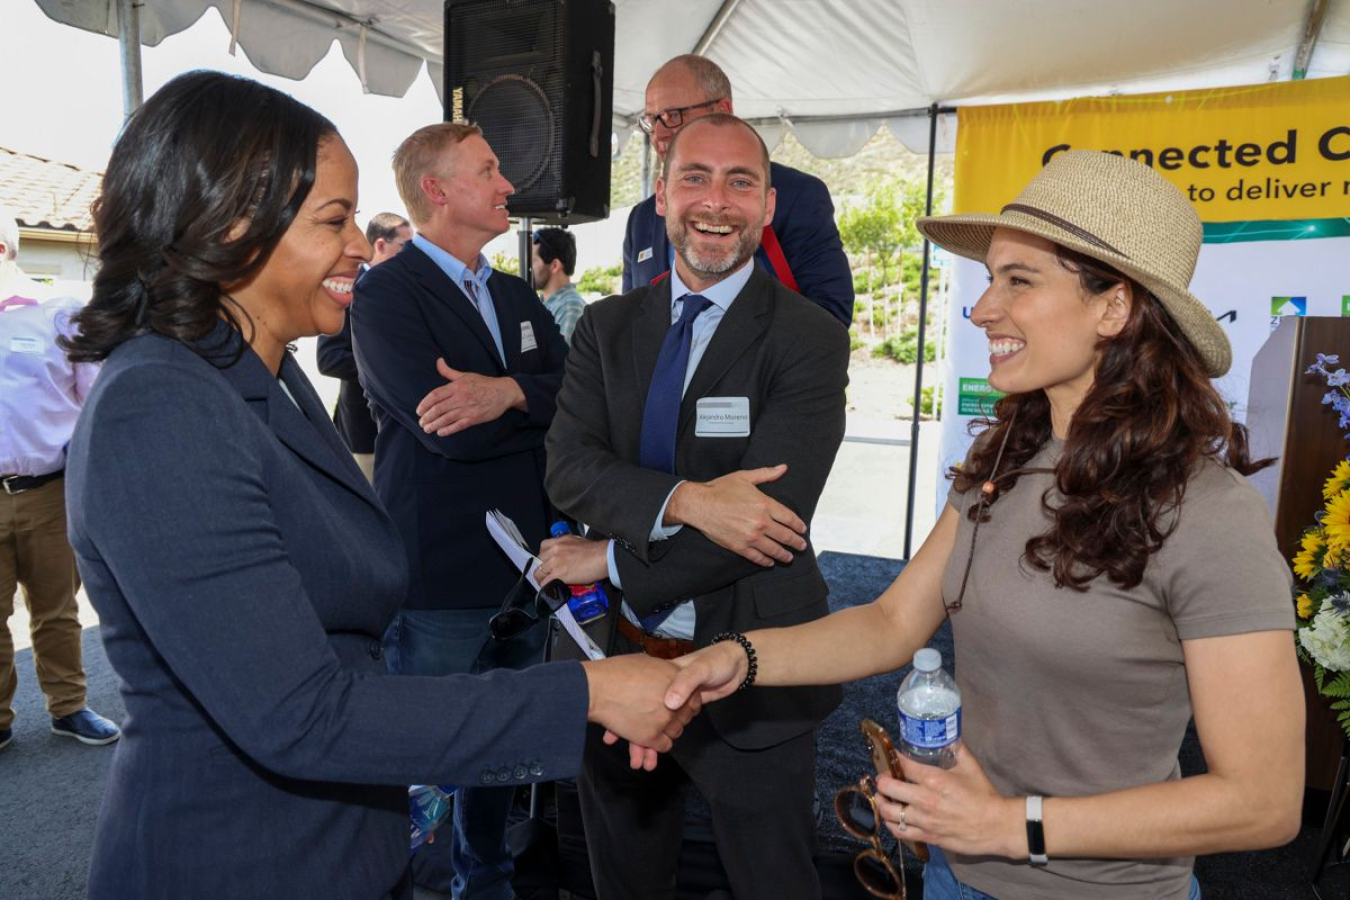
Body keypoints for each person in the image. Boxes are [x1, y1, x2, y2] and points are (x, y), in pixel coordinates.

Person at [60, 70, 696, 900]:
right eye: (335, 219)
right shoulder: (161, 404)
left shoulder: (260, 374)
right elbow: (303, 715)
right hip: (238, 859)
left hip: (336, 847)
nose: (361, 242)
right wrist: (588, 690)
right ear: (230, 227)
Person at [664, 150, 1304, 899]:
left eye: (1019, 281)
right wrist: (738, 658)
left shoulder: (1207, 514)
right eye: (991, 278)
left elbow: (1262, 803)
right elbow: (890, 623)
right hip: (956, 870)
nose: (982, 309)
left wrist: (1012, 826)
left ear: (1114, 307)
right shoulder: (1007, 455)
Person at [534, 113, 850, 900]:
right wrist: (690, 500)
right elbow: (568, 470)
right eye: (696, 178)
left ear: (770, 205)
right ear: (661, 196)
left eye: (741, 181)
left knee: (772, 878)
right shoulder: (607, 327)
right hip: (615, 653)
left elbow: (761, 527)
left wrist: (609, 556)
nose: (718, 201)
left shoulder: (808, 338)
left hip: (756, 668)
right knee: (623, 874)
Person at [350, 122, 570, 900]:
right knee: (429, 756)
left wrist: (505, 394)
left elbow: (575, 401)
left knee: (504, 749)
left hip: (529, 570)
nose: (509, 184)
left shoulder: (512, 292)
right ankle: (411, 885)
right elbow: (447, 436)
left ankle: (486, 882)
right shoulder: (384, 292)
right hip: (440, 571)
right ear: (437, 191)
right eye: (489, 170)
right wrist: (528, 408)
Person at [0, 207, 120, 751]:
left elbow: (94, 405)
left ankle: (68, 707)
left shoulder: (58, 315)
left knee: (55, 608)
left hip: (47, 491)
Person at [623, 54, 854, 327]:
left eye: (673, 116)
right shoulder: (642, 218)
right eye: (651, 120)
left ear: (722, 109)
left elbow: (830, 315)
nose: (658, 134)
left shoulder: (798, 196)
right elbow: (632, 323)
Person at [316, 211, 410, 481]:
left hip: (396, 433)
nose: (411, 255)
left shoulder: (396, 290)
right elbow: (329, 358)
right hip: (363, 436)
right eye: (405, 247)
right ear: (380, 245)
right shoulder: (349, 287)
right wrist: (385, 366)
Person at [530, 227, 586, 345]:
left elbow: (563, 361)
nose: (529, 267)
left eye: (533, 261)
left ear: (555, 265)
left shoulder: (570, 308)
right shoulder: (542, 304)